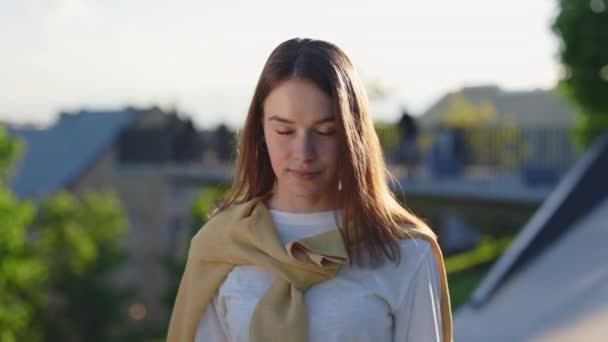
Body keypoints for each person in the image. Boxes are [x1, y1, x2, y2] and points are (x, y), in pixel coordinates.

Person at [167, 38, 452, 342]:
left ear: (351, 134)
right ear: (261, 131)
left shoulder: (406, 250)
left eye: (325, 131)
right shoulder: (219, 246)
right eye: (285, 131)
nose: (303, 152)